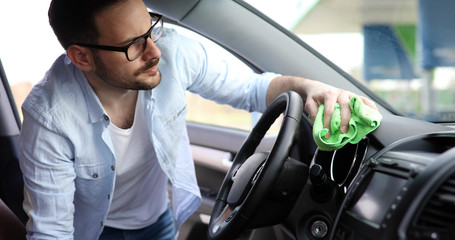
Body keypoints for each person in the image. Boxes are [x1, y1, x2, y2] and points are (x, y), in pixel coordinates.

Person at [18, 0, 377, 239]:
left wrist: (310, 86)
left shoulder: (172, 52)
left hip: (160, 219)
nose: (154, 51)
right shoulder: (49, 117)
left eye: (150, 29)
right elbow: (52, 230)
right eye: (133, 44)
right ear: (81, 57)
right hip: (93, 232)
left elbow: (254, 89)